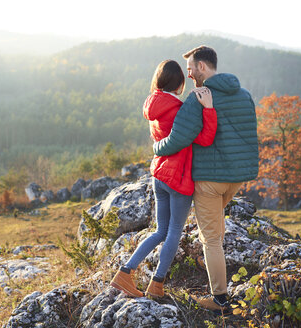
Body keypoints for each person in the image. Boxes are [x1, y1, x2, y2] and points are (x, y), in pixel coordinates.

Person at [153, 46, 259, 314]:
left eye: (190, 70)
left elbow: (177, 139)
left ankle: (220, 299)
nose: (188, 76)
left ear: (201, 66)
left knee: (210, 239)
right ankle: (219, 279)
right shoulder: (244, 95)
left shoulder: (197, 98)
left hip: (209, 180)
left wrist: (156, 148)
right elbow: (248, 137)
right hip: (236, 178)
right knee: (217, 230)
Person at [110, 59, 217, 298]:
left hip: (159, 175)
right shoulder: (180, 110)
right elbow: (205, 138)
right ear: (179, 84)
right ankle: (156, 285)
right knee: (174, 233)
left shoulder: (152, 105)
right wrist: (208, 109)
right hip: (178, 178)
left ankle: (125, 273)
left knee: (160, 231)